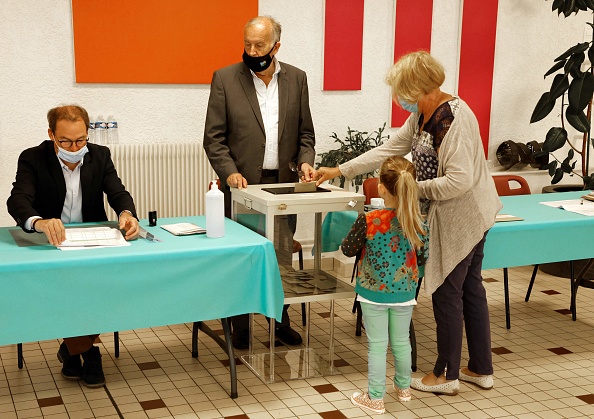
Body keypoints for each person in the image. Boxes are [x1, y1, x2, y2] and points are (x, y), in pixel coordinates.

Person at [315, 51, 502, 396]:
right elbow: (390, 149)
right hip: (467, 213)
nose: (398, 98)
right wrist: (340, 170)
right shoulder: (423, 115)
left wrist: (410, 190)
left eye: (401, 91)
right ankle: (480, 368)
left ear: (419, 87)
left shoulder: (453, 121)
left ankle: (446, 375)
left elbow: (459, 182)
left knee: (449, 292)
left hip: (464, 214)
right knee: (471, 289)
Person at [7, 105, 140, 388]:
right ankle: (89, 352)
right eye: (65, 141)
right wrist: (38, 221)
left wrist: (127, 214)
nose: (74, 146)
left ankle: (71, 350)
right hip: (51, 244)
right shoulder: (33, 158)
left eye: (81, 139)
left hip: (92, 241)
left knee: (109, 282)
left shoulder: (99, 155)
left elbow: (118, 192)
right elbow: (18, 199)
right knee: (71, 286)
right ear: (51, 135)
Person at [203, 16, 315, 349]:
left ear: (276, 46)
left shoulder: (297, 79)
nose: (252, 51)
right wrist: (229, 171)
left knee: (279, 256)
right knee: (242, 256)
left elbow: (305, 133)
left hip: (281, 186)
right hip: (240, 189)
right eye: (247, 44)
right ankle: (240, 325)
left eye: (260, 45)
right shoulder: (225, 79)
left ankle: (279, 320)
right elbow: (214, 138)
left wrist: (306, 161)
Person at [342, 156, 429, 414]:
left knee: (377, 345)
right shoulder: (418, 221)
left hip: (372, 293)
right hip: (405, 292)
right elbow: (423, 258)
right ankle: (403, 388)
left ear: (380, 187)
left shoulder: (369, 220)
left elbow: (347, 249)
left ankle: (375, 397)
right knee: (402, 341)